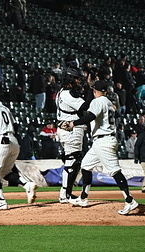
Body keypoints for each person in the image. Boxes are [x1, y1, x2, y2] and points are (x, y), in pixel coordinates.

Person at [68, 81, 138, 215]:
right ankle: (83, 198)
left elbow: (90, 116)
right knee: (86, 165)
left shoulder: (98, 101)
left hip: (104, 141)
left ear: (95, 91)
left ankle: (130, 200)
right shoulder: (110, 103)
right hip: (102, 140)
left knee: (115, 171)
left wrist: (73, 123)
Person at [0, 87, 37, 210]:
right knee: (5, 172)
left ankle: (1, 202)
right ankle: (27, 184)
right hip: (13, 141)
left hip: (1, 141)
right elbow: (16, 125)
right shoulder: (4, 107)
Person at [56, 67, 88, 203]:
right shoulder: (68, 94)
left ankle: (65, 193)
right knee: (72, 162)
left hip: (67, 128)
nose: (78, 81)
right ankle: (65, 195)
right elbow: (85, 106)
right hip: (71, 130)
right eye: (76, 78)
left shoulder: (61, 92)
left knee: (72, 161)